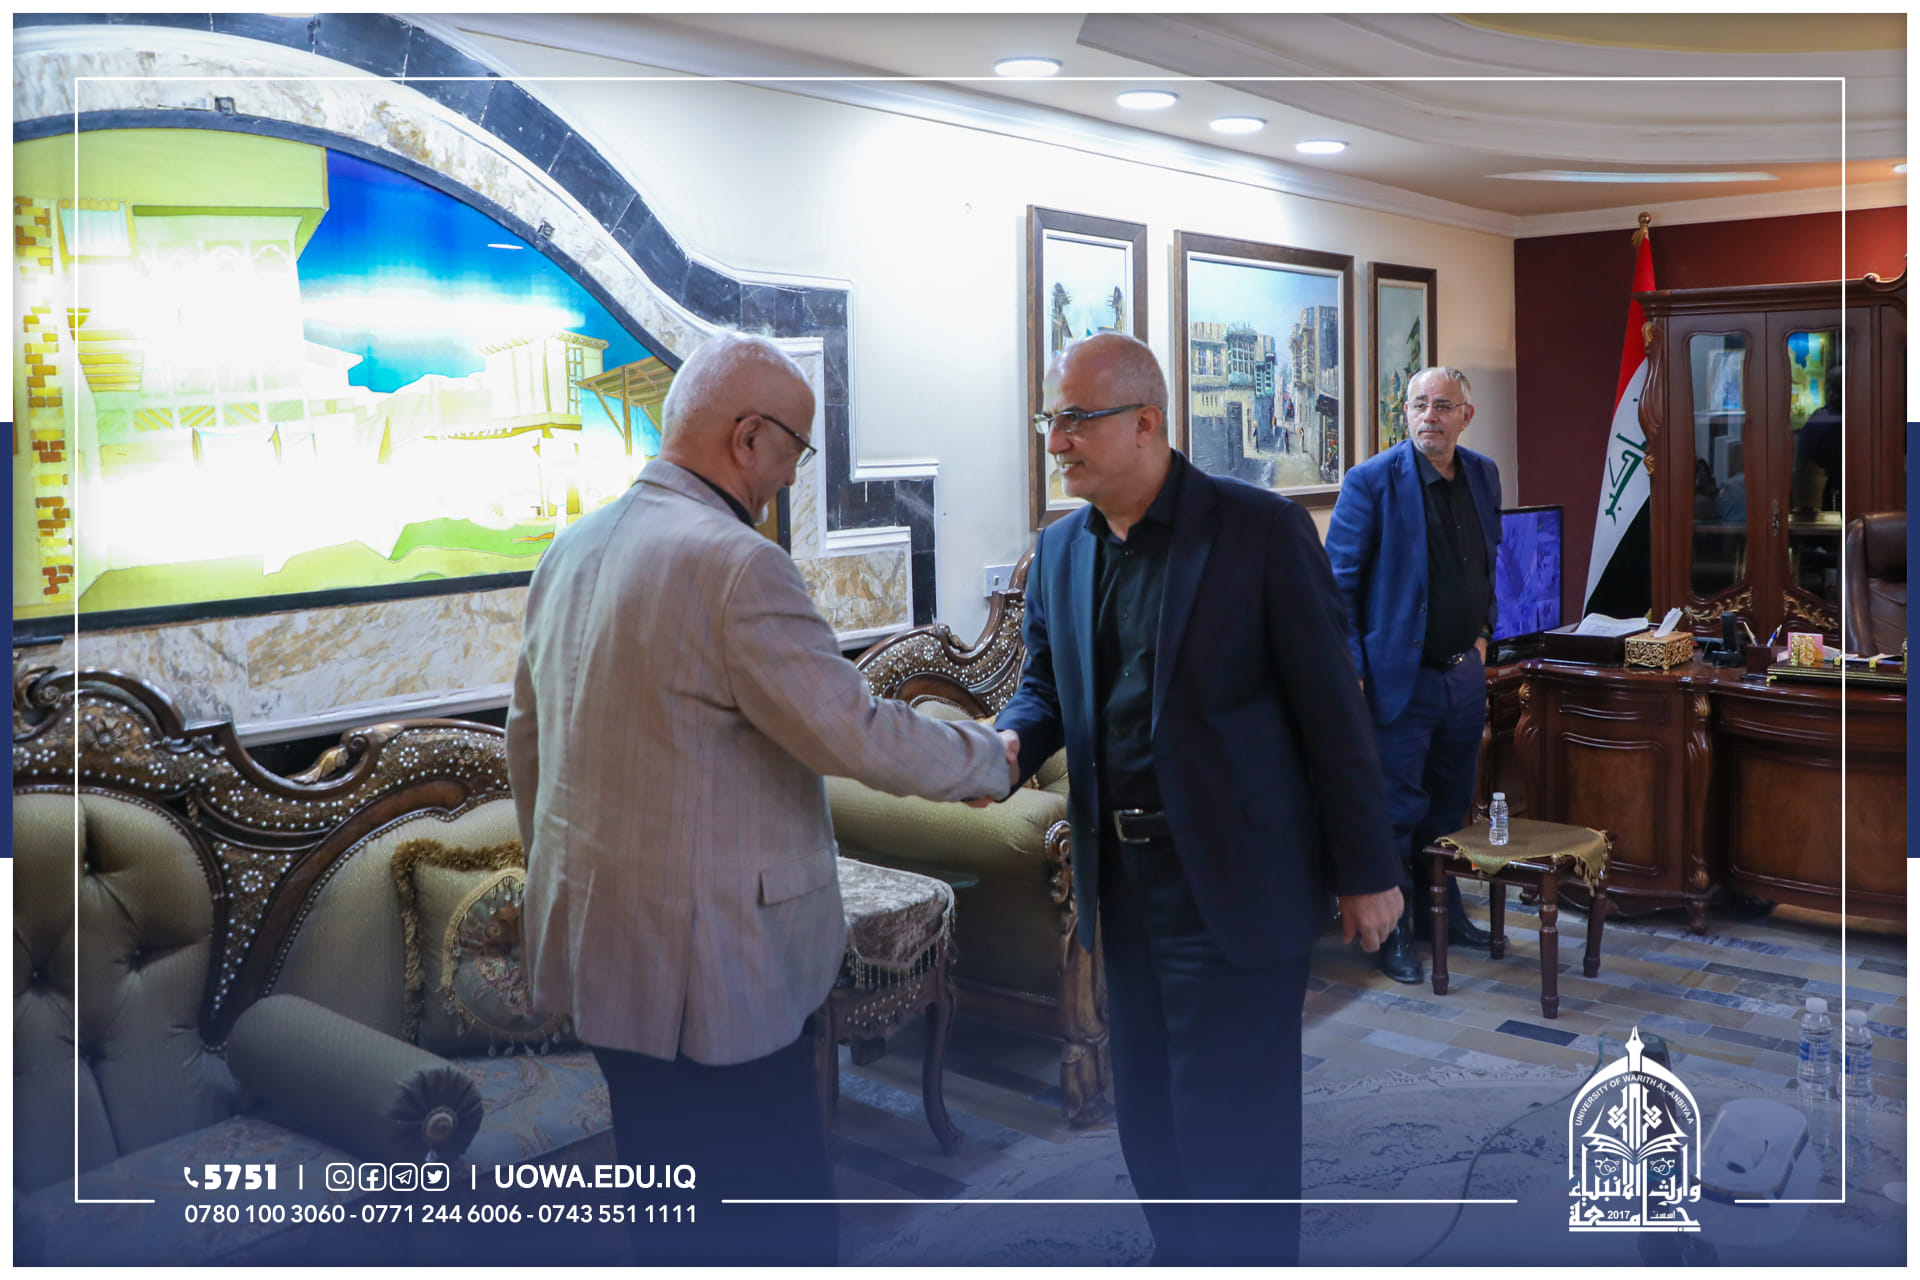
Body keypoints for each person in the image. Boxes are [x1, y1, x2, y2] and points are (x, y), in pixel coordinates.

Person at [506, 332, 1015, 1266]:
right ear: (748, 438)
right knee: (771, 1222)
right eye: (795, 451)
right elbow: (853, 730)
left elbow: (526, 743)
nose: (789, 476)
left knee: (667, 1206)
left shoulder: (571, 549)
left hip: (599, 952)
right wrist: (990, 761)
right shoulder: (736, 565)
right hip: (714, 974)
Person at [994, 333, 1403, 1266]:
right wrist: (1006, 750)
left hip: (1235, 880)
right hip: (1121, 886)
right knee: (1150, 1117)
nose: (1056, 442)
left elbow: (1332, 711)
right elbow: (1045, 690)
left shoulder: (1259, 531)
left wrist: (1368, 870)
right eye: (1051, 419)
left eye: (1075, 420)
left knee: (1236, 1129)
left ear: (1146, 422)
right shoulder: (1059, 552)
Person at [1325, 366, 1502, 985]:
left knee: (1450, 807)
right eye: (1419, 404)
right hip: (1397, 680)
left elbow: (1489, 562)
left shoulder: (1483, 474)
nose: (1430, 416)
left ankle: (1440, 914)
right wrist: (1354, 675)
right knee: (1395, 812)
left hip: (1462, 677)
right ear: (1405, 412)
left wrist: (1483, 637)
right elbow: (1337, 591)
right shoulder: (1371, 482)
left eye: (1443, 406)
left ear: (1465, 416)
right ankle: (1394, 929)